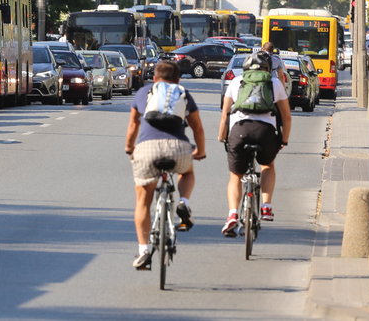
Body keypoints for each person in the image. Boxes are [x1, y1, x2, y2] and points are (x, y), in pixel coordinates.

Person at [125, 60, 206, 270]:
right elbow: (197, 127)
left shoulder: (144, 92)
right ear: (178, 79)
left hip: (147, 149)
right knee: (187, 173)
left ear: (154, 78)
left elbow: (134, 124)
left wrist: (129, 148)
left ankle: (144, 250)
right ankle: (184, 202)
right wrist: (200, 151)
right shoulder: (183, 93)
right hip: (178, 148)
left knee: (143, 201)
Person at [217, 50, 292, 237]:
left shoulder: (236, 81)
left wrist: (222, 136)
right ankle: (266, 206)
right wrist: (284, 139)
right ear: (268, 68)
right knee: (267, 165)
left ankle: (233, 214)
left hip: (239, 130)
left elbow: (225, 113)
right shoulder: (274, 83)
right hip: (265, 132)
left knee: (235, 176)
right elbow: (286, 116)